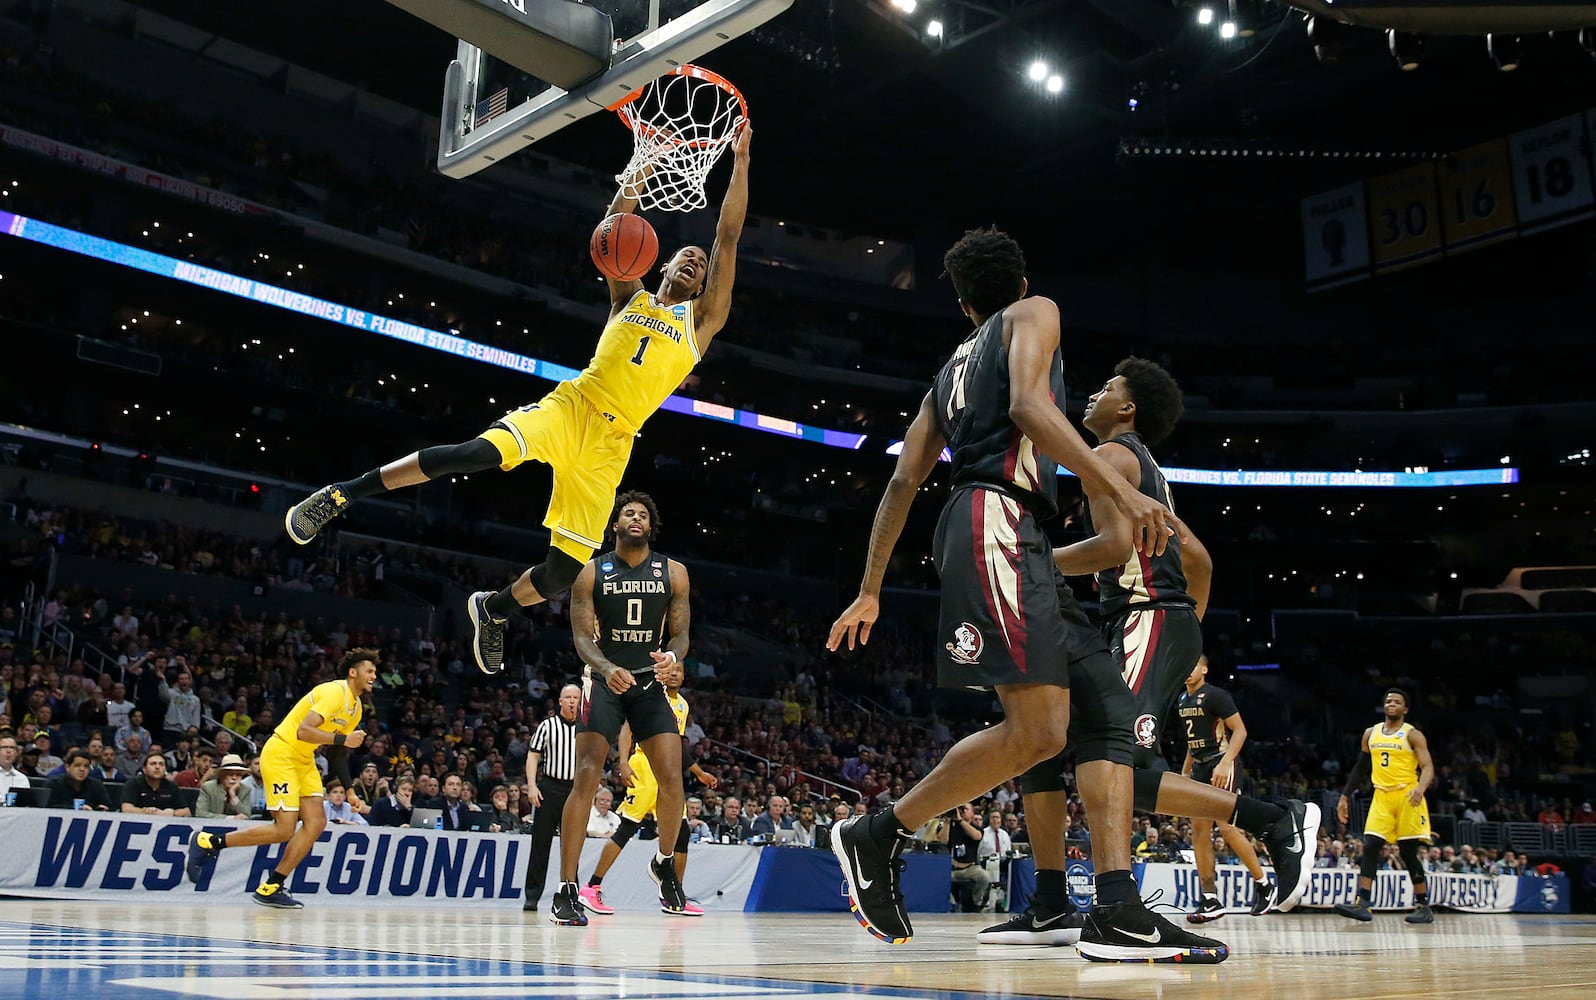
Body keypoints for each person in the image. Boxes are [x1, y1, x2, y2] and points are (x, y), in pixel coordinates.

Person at [826, 228, 1218, 960]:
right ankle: (877, 834)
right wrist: (1118, 493)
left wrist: (871, 587)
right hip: (996, 517)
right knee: (1039, 731)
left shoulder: (947, 371)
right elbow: (1033, 408)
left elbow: (903, 480)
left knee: (1107, 711)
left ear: (965, 302)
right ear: (1018, 283)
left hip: (1008, 531)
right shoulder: (1035, 312)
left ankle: (1118, 907)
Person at [283, 125, 753, 680]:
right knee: (473, 453)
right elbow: (613, 225)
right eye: (686, 255)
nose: (696, 261)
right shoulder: (628, 294)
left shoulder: (699, 325)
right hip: (573, 406)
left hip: (613, 443)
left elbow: (727, 238)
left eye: (701, 264)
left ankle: (494, 608)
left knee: (559, 575)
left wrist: (739, 163)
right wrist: (640, 170)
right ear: (663, 262)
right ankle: (341, 494)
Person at [979, 358, 1315, 950]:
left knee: (1118, 765)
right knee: (1046, 744)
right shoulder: (1142, 468)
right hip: (1147, 622)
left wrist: (1034, 564)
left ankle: (1272, 818)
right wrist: (1188, 628)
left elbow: (1112, 548)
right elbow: (1201, 561)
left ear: (1127, 408)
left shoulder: (1112, 458)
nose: (1093, 393)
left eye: (1107, 387)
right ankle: (1051, 903)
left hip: (1145, 619)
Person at [553, 493, 693, 925]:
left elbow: (681, 635)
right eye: (628, 513)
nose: (636, 518)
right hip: (604, 681)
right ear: (614, 525)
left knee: (672, 779)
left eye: (643, 514)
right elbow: (580, 637)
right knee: (587, 775)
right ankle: (567, 888)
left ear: (652, 526)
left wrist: (675, 660)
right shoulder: (591, 572)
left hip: (649, 684)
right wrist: (605, 667)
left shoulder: (675, 573)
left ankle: (664, 862)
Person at [185, 649, 377, 908]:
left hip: (304, 760)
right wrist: (343, 738)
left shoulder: (355, 709)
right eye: (370, 671)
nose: (374, 676)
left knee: (316, 823)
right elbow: (304, 730)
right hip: (283, 752)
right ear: (353, 672)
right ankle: (208, 841)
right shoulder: (334, 692)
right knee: (285, 829)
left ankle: (272, 886)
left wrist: (350, 790)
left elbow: (338, 755)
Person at [579, 657, 717, 917]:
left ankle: (673, 892)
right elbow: (628, 730)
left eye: (679, 670)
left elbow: (677, 745)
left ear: (684, 676)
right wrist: (623, 762)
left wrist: (699, 773)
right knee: (627, 828)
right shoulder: (651, 695)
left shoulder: (683, 705)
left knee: (682, 833)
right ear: (662, 672)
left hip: (668, 771)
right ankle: (591, 887)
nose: (674, 673)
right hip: (643, 766)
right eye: (671, 669)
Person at [1177, 657, 1276, 921]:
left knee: (1228, 827)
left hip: (1221, 763)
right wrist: (1185, 772)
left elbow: (1240, 731)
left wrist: (1225, 763)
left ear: (1204, 669)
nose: (1188, 671)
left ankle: (1264, 885)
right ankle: (1210, 899)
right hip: (1199, 766)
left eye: (1193, 666)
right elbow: (1193, 741)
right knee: (1198, 830)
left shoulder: (1215, 695)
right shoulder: (1182, 700)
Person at [1335, 688, 1436, 924]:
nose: (1391, 704)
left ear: (1405, 709)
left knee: (1408, 852)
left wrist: (1420, 788)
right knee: (1370, 845)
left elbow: (1428, 767)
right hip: (1381, 796)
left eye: (1397, 701)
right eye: (1388, 701)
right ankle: (1363, 904)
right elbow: (1360, 767)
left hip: (1408, 795)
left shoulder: (1413, 735)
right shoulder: (1371, 733)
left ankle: (1423, 905)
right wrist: (1345, 795)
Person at [523, 684, 581, 911]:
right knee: (540, 843)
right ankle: (532, 896)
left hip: (574, 791)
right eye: (568, 697)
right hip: (549, 787)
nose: (572, 701)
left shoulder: (586, 728)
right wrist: (531, 786)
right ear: (560, 701)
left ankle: (570, 896)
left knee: (572, 846)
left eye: (576, 697)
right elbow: (533, 755)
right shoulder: (548, 726)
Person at [120, 751, 191, 816]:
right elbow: (126, 808)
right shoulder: (133, 783)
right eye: (153, 764)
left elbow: (186, 812)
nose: (157, 767)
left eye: (161, 764)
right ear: (144, 769)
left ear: (165, 769)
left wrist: (170, 813)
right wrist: (146, 812)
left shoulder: (171, 786)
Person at [47, 749, 111, 810]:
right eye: (77, 765)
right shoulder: (54, 784)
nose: (82, 769)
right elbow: (47, 807)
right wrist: (75, 808)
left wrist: (99, 809)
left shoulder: (97, 785)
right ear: (67, 767)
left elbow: (108, 807)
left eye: (86, 766)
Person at [195, 753, 253, 819]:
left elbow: (247, 816)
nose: (234, 778)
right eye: (230, 774)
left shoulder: (245, 790)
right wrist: (230, 818)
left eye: (238, 775)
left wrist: (233, 796)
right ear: (222, 775)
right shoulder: (208, 788)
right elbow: (200, 813)